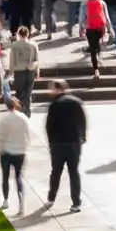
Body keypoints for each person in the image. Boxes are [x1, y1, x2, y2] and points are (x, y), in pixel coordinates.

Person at [44, 79, 86, 214]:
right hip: (74, 142)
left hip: (58, 143)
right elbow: (82, 121)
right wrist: (83, 136)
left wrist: (50, 142)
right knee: (74, 172)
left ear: (57, 89)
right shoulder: (76, 102)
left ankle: (51, 197)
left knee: (56, 171)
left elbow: (49, 125)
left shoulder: (54, 104)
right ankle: (76, 202)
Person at [0, 96, 31, 212]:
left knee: (5, 177)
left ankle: (5, 200)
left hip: (6, 152)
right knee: (18, 176)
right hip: (20, 152)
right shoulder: (23, 118)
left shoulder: (5, 119)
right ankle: (21, 203)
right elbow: (28, 136)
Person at [8, 25, 40, 115]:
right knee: (28, 92)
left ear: (19, 34)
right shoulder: (33, 45)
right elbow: (37, 59)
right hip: (31, 70)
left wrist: (10, 71)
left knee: (19, 92)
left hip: (19, 71)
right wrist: (37, 72)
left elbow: (12, 60)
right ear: (28, 34)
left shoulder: (15, 45)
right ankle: (27, 111)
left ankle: (19, 111)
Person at [82, 0, 110, 79]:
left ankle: (96, 71)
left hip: (90, 28)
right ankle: (99, 57)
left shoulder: (85, 4)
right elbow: (106, 16)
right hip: (99, 28)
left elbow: (82, 17)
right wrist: (110, 28)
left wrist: (81, 28)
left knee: (92, 49)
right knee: (97, 43)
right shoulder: (102, 2)